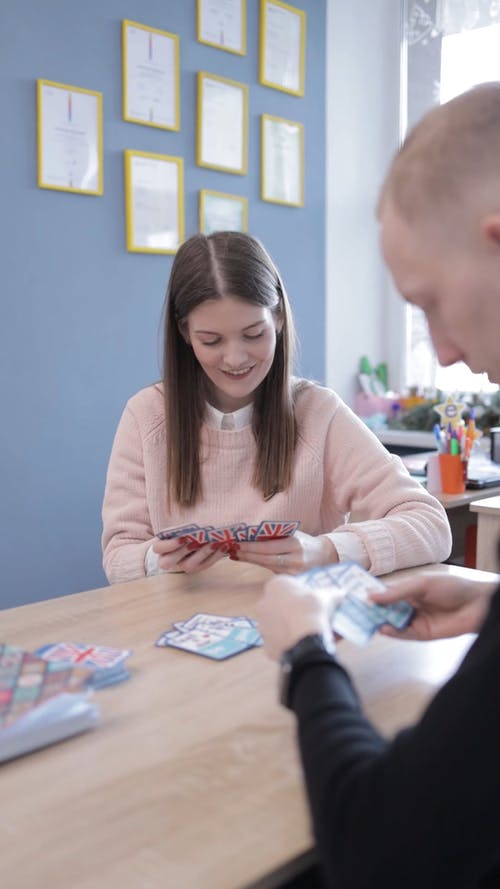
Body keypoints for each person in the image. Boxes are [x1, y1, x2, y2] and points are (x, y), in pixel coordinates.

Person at [257, 82, 500, 889]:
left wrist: (305, 653)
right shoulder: (146, 416)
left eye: (428, 302)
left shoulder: (320, 408)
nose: (445, 350)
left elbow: (379, 851)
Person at [101, 231, 450, 585]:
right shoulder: (146, 415)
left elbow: (432, 526)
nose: (235, 359)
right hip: (169, 627)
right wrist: (155, 560)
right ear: (184, 333)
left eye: (253, 334)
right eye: (211, 340)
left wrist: (326, 551)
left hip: (294, 623)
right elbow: (118, 555)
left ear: (279, 318)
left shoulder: (319, 413)